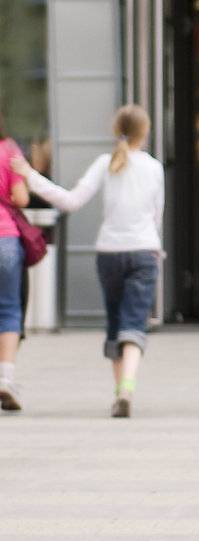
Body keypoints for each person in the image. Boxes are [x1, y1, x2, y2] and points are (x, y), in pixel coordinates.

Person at [14, 105, 163, 418]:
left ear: (116, 130)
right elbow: (156, 215)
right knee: (134, 324)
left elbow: (70, 201)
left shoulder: (104, 163)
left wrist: (31, 176)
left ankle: (117, 391)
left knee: (115, 323)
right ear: (145, 132)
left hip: (109, 252)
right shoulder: (153, 168)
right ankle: (127, 389)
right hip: (144, 250)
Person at [0, 112, 31, 412]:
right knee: (9, 309)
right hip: (5, 239)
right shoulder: (8, 149)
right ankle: (6, 379)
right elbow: (21, 198)